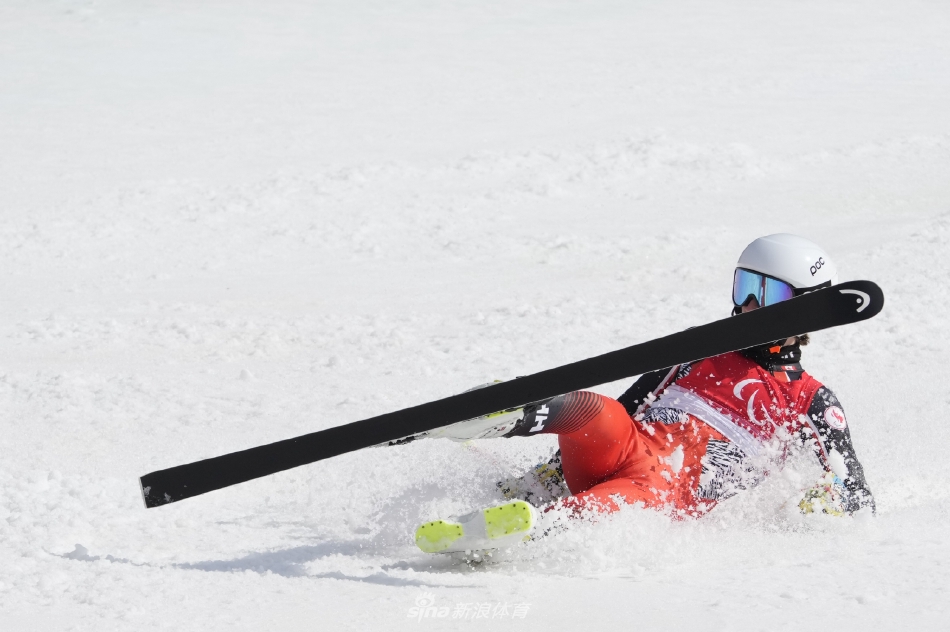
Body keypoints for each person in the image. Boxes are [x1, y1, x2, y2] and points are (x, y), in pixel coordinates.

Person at [412, 234, 876, 554]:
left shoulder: (810, 401)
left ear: (807, 309)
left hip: (669, 490)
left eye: (769, 293)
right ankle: (504, 415)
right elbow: (627, 409)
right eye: (744, 286)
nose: (750, 306)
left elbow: (858, 497)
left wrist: (821, 502)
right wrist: (543, 477)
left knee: (641, 494)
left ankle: (525, 527)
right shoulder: (700, 349)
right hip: (628, 448)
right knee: (597, 410)